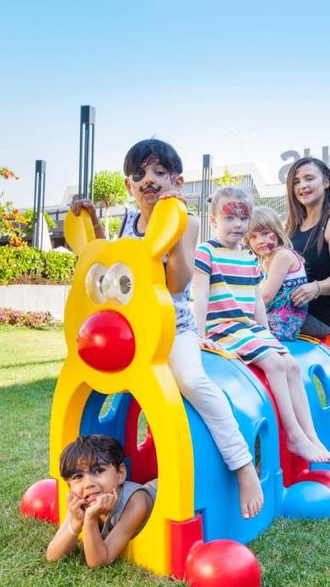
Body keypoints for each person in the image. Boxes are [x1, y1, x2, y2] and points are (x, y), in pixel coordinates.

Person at [69, 139, 263, 520]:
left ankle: (243, 467)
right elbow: (110, 268)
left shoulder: (185, 222)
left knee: (191, 381)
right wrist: (92, 222)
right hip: (129, 332)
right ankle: (92, 482)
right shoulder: (127, 223)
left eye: (159, 173)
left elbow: (177, 283)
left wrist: (172, 233)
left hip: (173, 328)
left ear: (177, 180)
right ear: (129, 185)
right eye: (139, 175)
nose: (149, 181)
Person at [193, 187, 330, 464]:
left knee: (291, 364)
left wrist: (267, 334)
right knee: (274, 363)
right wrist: (200, 336)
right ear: (213, 221)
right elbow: (200, 297)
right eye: (229, 218)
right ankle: (293, 435)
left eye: (243, 218)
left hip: (248, 329)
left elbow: (257, 299)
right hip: (222, 327)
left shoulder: (249, 258)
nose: (237, 225)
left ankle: (311, 435)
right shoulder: (206, 251)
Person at [46, 434, 155, 566]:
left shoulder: (136, 502)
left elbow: (99, 562)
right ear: (70, 487)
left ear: (120, 474)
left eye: (98, 471)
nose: (88, 484)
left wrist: (91, 519)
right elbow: (52, 556)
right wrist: (76, 522)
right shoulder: (82, 501)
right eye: (78, 476)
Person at [285, 156, 330, 339]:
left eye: (309, 178)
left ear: (326, 181)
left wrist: (315, 288)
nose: (302, 186)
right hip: (286, 307)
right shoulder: (293, 225)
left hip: (314, 317)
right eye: (296, 182)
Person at [246, 206, 308, 341]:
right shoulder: (267, 260)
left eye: (265, 233)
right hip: (274, 318)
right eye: (253, 237)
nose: (260, 241)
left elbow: (267, 296)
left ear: (277, 232)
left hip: (282, 322)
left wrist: (244, 315)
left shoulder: (282, 255)